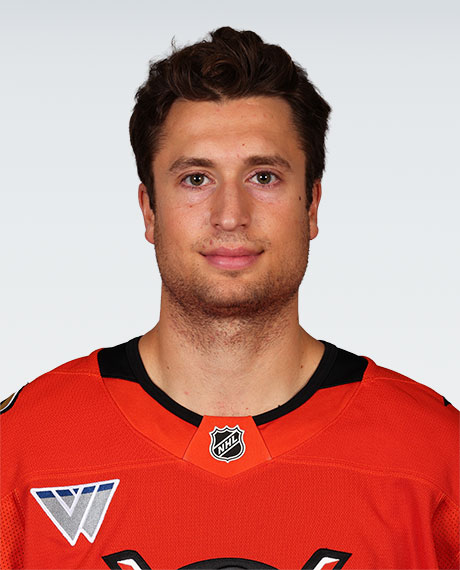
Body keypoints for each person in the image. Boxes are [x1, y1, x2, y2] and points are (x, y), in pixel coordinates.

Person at [0, 26, 458, 570]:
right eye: (196, 179)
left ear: (311, 206)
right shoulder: (24, 448)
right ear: (149, 211)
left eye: (263, 176)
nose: (230, 215)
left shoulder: (433, 454)